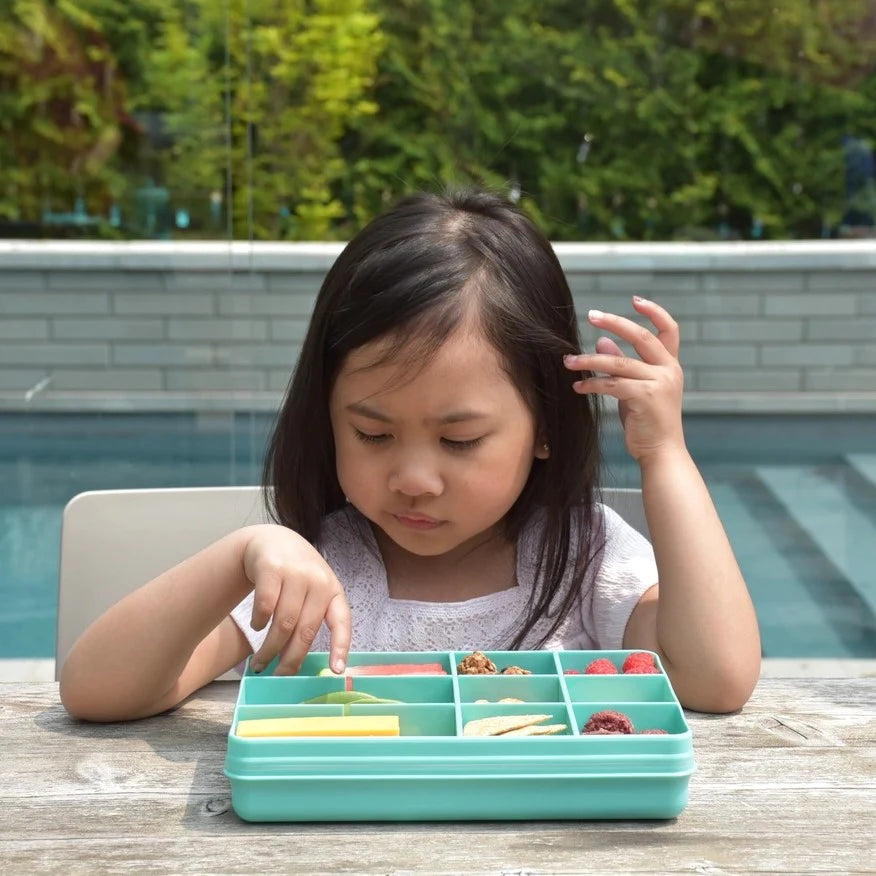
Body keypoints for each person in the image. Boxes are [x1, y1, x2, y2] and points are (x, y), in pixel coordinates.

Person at [59, 188, 761, 722]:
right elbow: (94, 692)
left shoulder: (581, 558)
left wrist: (665, 454)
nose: (414, 480)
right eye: (372, 434)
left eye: (459, 441)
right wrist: (243, 550)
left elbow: (717, 678)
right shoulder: (316, 573)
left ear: (546, 423)